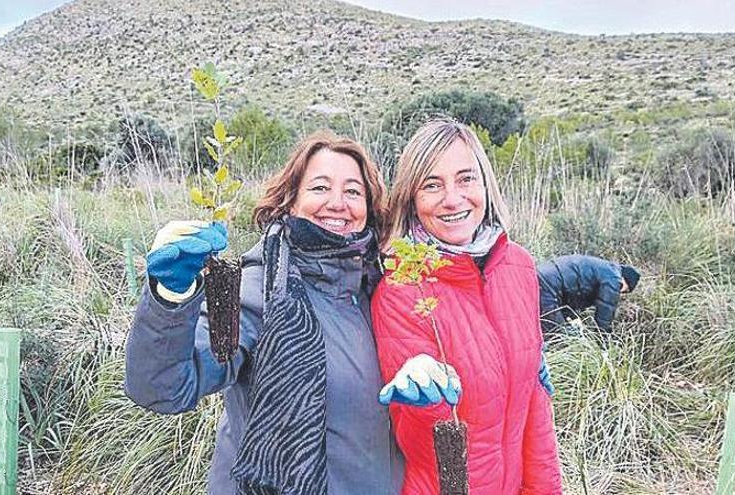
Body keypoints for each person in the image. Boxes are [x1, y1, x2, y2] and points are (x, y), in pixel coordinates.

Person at [124, 131, 404, 494]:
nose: (338, 202)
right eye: (320, 188)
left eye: (353, 191)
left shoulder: (376, 292)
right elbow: (162, 387)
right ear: (290, 202)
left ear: (369, 208)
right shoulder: (261, 290)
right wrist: (171, 296)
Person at [371, 118, 562, 494]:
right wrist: (426, 404)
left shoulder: (519, 267)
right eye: (432, 185)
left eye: (466, 179)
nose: (453, 199)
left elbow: (535, 412)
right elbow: (420, 448)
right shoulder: (401, 289)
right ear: (412, 199)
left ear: (485, 184)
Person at [537, 254, 641, 335]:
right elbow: (604, 316)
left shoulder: (602, 269)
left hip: (538, 276)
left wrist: (572, 318)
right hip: (549, 285)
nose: (620, 292)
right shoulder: (614, 278)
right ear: (624, 280)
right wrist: (604, 344)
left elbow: (569, 298)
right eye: (623, 290)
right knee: (557, 335)